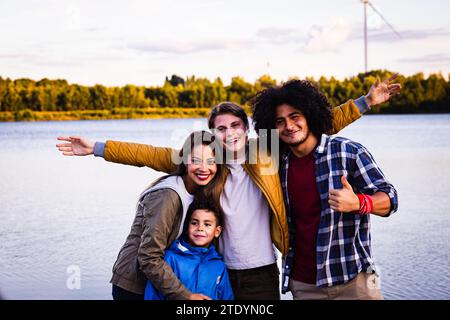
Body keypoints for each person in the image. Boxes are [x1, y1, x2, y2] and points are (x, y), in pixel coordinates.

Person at [56, 75, 400, 299]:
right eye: (221, 128)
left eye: (236, 125)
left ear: (247, 128)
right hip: (219, 269)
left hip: (263, 271)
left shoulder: (264, 151)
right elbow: (152, 155)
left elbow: (315, 125)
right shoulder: (208, 164)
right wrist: (97, 148)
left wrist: (365, 102)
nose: (230, 133)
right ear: (213, 134)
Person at [250, 79, 399, 300]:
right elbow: (220, 151)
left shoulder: (348, 152)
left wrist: (359, 203)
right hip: (303, 284)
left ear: (310, 115)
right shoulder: (275, 163)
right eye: (279, 121)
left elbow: (391, 199)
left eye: (295, 117)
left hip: (354, 279)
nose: (289, 126)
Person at [59, 131, 226, 300]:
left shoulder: (197, 192)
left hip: (156, 284)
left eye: (211, 161)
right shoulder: (168, 196)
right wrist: (186, 296)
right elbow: (149, 256)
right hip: (135, 287)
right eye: (195, 160)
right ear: (183, 160)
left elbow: (145, 154)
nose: (204, 168)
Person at [144, 195, 234, 300]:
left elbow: (227, 297)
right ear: (186, 228)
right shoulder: (171, 258)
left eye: (207, 224)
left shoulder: (219, 265)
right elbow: (153, 295)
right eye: (194, 223)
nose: (200, 228)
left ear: (217, 231)